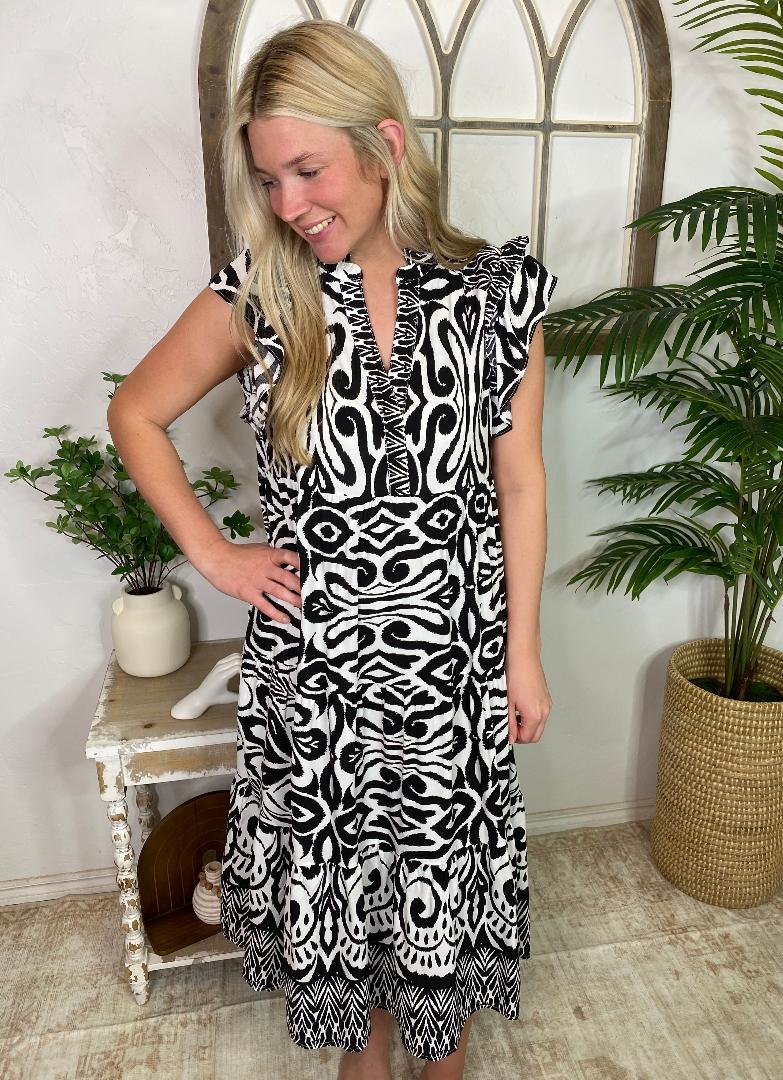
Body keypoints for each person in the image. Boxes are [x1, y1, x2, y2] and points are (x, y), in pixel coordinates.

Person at [108, 18, 556, 1079]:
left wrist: (522, 652)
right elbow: (135, 413)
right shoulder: (261, 295)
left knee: (441, 880)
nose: (288, 204)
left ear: (384, 144)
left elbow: (521, 483)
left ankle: (440, 1050)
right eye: (269, 180)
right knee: (345, 896)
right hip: (317, 673)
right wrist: (216, 555)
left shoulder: (499, 289)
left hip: (451, 664)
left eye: (307, 170)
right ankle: (367, 1047)